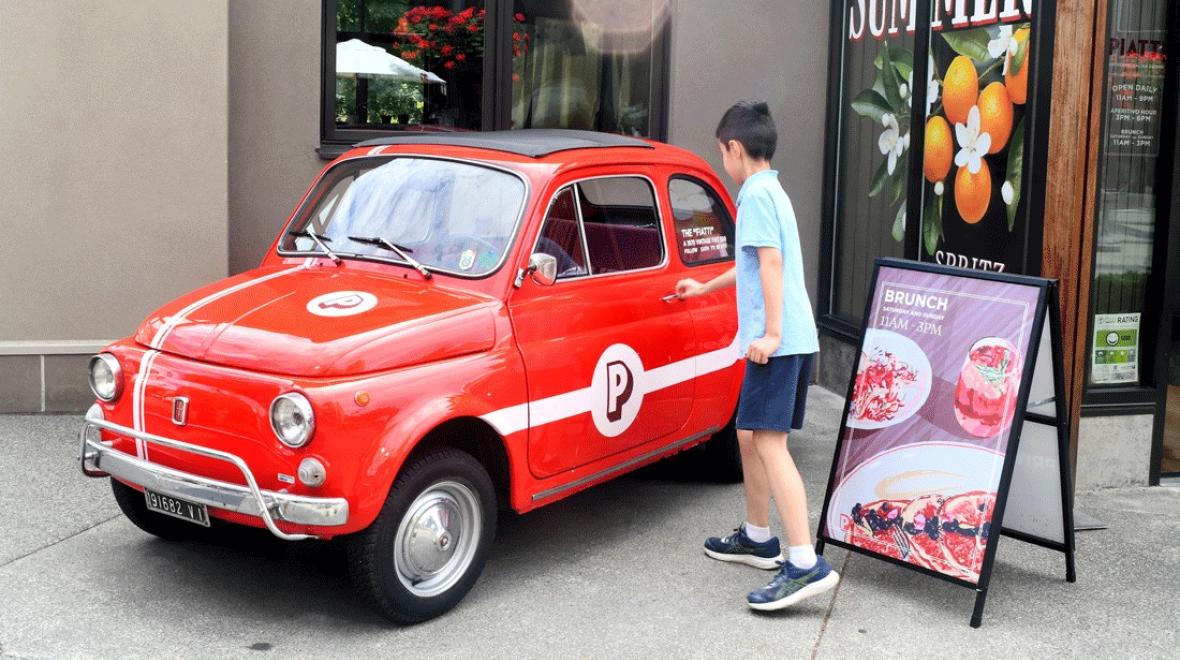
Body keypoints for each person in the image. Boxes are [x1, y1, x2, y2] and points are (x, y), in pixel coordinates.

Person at [677, 99, 838, 611]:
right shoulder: (769, 190)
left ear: (734, 149)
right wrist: (704, 288)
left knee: (770, 444)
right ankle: (757, 536)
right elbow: (753, 264)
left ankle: (804, 564)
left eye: (720, 152)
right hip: (787, 340)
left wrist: (769, 334)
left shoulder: (755, 197)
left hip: (779, 343)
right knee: (749, 434)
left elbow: (770, 264)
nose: (721, 160)